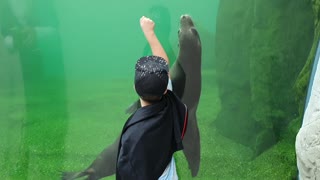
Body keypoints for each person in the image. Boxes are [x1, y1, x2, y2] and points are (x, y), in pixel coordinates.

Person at [115, 16, 188, 180]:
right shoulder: (170, 104)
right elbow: (165, 65)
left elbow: (127, 169)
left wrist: (148, 32)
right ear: (164, 89)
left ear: (135, 88)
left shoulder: (134, 134)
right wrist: (150, 33)